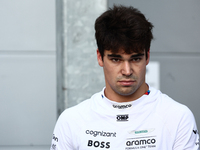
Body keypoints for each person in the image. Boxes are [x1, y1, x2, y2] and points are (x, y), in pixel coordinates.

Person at [50, 5, 199, 150]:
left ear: (147, 57)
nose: (127, 71)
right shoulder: (71, 120)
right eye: (116, 59)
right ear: (100, 57)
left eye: (135, 59)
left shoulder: (178, 117)